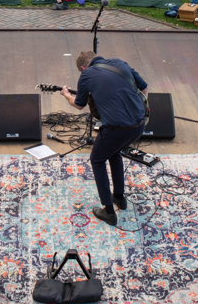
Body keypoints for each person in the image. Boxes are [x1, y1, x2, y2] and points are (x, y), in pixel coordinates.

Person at [59, 51, 148, 227]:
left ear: (83, 67)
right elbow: (144, 87)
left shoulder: (87, 74)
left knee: (97, 160)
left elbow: (78, 104)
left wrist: (66, 95)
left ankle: (108, 211)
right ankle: (119, 198)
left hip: (116, 130)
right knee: (113, 152)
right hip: (140, 125)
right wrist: (144, 108)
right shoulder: (120, 62)